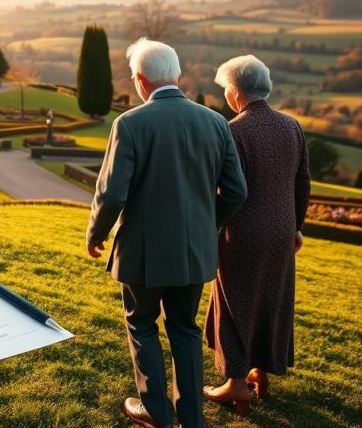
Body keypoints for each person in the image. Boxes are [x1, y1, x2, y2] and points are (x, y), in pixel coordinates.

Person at [86, 38, 248, 428]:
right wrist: (207, 225)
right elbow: (237, 191)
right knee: (185, 328)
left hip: (142, 252)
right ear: (174, 75)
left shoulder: (129, 123)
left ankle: (156, 412)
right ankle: (192, 418)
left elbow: (112, 193)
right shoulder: (214, 122)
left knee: (141, 324)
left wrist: (96, 232)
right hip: (194, 249)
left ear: (141, 81)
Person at [203, 55, 310, 414]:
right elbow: (302, 182)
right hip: (282, 230)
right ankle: (260, 377)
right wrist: (296, 226)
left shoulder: (233, 130)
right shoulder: (292, 126)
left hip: (243, 232)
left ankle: (236, 384)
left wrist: (211, 224)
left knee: (233, 303)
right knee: (270, 301)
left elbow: (224, 188)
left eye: (226, 89)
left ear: (235, 92)